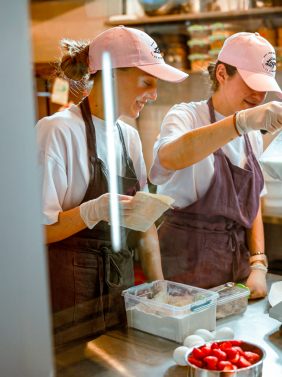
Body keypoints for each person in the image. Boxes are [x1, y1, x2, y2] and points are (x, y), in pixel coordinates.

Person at [35, 26, 188, 345]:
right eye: (147, 82)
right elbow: (37, 233)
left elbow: (144, 225)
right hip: (68, 295)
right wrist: (92, 211)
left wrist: (160, 292)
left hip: (119, 290)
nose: (154, 95)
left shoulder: (129, 136)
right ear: (114, 73)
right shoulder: (57, 131)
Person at [151, 32, 282, 298]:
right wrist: (240, 122)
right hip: (184, 268)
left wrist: (258, 264)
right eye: (251, 83)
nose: (258, 95)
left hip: (236, 269)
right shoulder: (185, 116)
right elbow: (168, 158)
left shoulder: (253, 133)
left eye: (264, 86)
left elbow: (253, 205)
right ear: (222, 74)